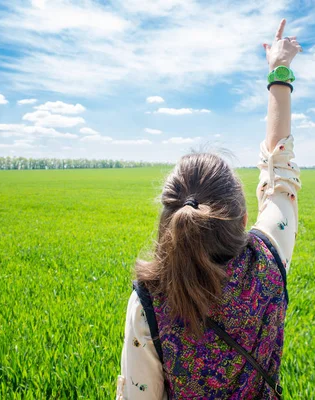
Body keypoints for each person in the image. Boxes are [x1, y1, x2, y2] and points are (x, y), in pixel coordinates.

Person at [117, 18, 303, 399]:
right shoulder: (269, 259)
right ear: (243, 218)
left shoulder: (150, 301)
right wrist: (278, 74)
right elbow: (281, 180)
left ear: (169, 224)